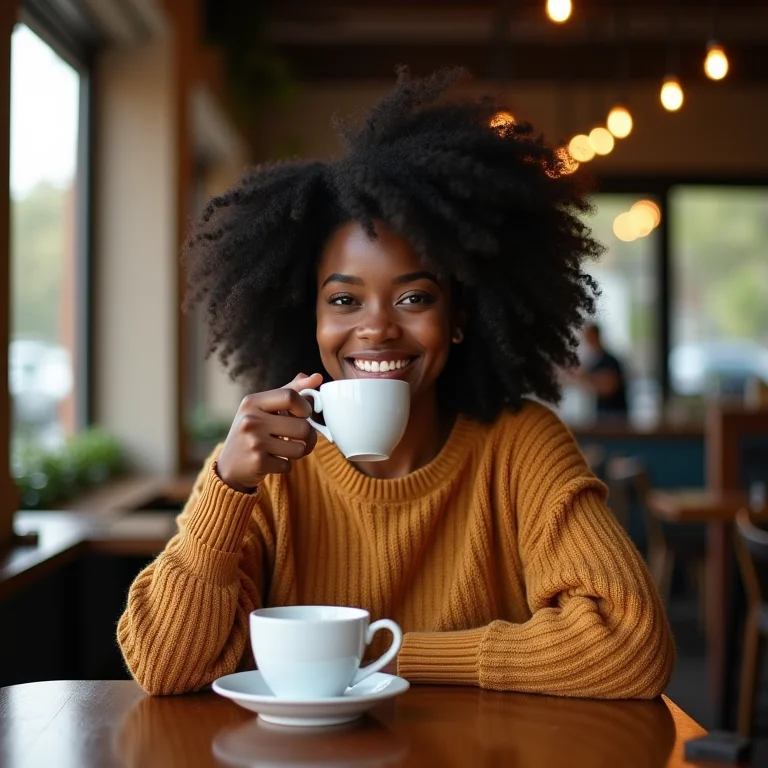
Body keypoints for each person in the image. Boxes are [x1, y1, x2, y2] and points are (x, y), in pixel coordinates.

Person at [117, 68, 674, 698]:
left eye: (413, 296)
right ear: (313, 320)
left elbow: (630, 646)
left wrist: (380, 654)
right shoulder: (260, 465)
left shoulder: (520, 444)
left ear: (460, 318)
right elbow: (165, 666)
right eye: (345, 301)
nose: (377, 329)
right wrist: (226, 488)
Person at [576, 323, 629, 419]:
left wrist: (586, 377)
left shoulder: (610, 361)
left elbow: (609, 387)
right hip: (601, 416)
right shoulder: (593, 363)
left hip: (615, 416)